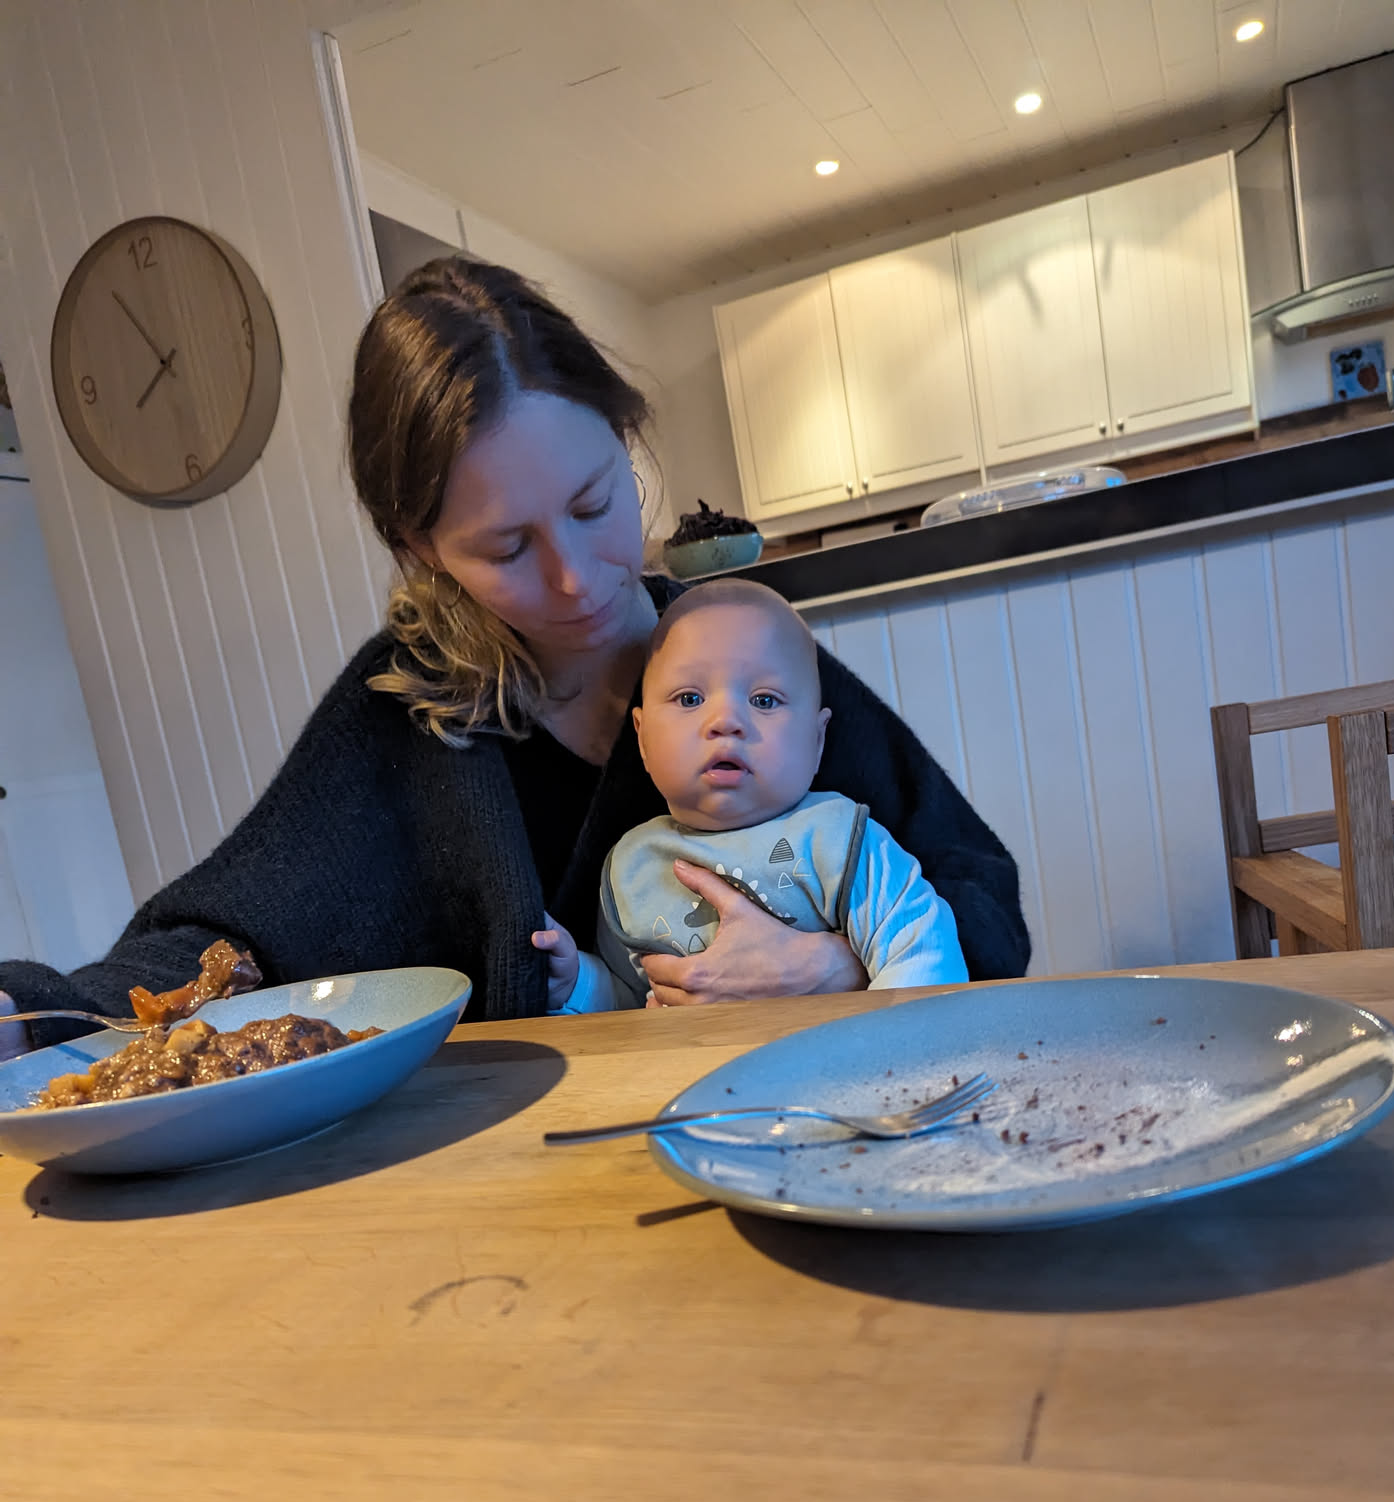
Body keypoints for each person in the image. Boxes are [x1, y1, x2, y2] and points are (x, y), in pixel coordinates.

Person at [0, 258, 1028, 1062]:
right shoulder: (410, 710)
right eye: (506, 549)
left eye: (594, 504)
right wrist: (32, 1013)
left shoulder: (745, 658)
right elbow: (229, 942)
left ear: (624, 442)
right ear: (420, 548)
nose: (578, 579)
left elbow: (982, 899)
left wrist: (836, 967)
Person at [537, 579, 967, 1011]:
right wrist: (578, 985)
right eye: (690, 698)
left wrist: (883, 1047)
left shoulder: (838, 840)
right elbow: (631, 998)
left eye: (764, 701)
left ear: (817, 740)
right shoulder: (633, 865)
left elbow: (922, 954)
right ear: (642, 738)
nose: (726, 720)